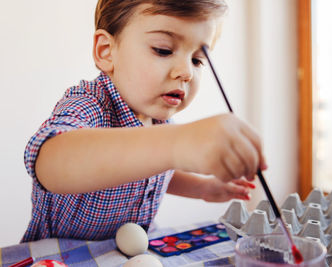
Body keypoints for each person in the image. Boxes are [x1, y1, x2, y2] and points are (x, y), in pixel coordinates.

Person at [22, 0, 267, 242]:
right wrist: (178, 142)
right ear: (106, 51)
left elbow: (158, 170)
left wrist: (201, 188)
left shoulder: (158, 121)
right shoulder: (90, 102)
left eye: (197, 60)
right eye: (163, 49)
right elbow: (49, 161)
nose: (186, 72)